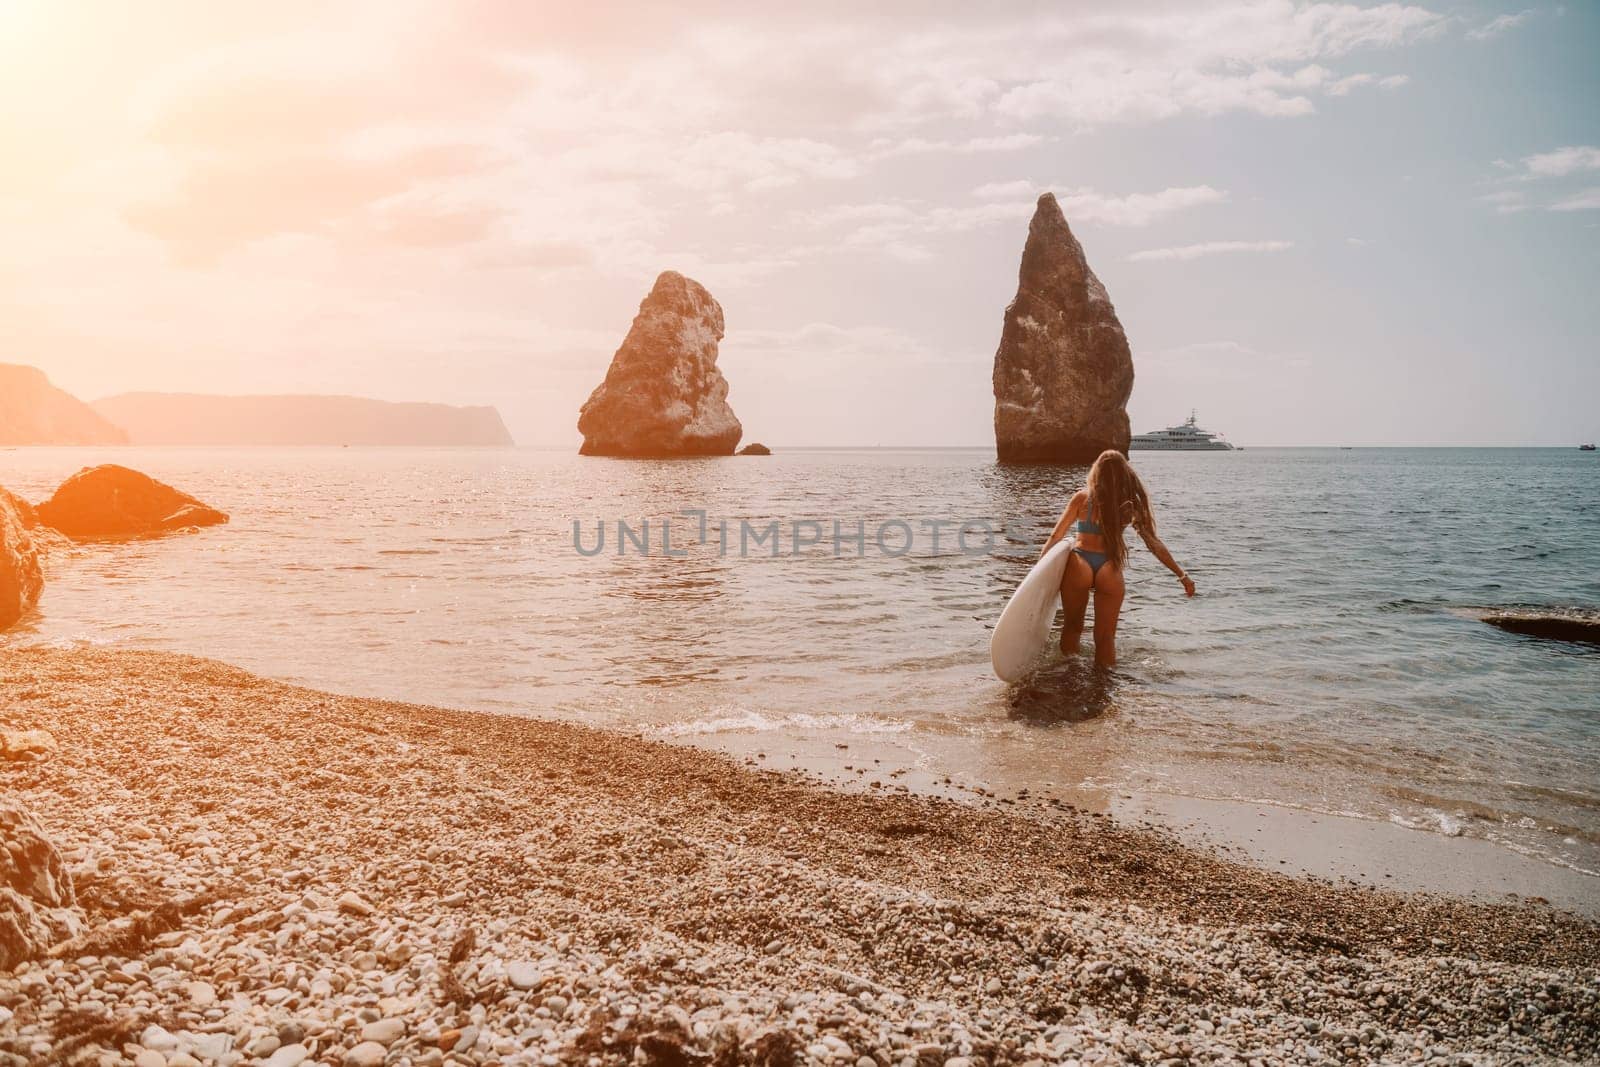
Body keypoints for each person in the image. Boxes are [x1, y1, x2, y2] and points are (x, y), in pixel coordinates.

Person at [1041, 449, 1195, 668]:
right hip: (1109, 568)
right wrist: (1182, 575)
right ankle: (1104, 686)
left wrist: (1037, 570)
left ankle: (1070, 676)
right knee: (1105, 637)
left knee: (1073, 627)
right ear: (1125, 474)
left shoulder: (1082, 498)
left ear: (1097, 471)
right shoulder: (1129, 506)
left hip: (1080, 563)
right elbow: (1154, 544)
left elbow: (1056, 536)